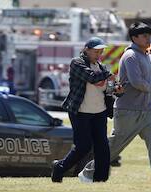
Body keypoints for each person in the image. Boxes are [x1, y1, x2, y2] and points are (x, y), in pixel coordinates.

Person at [78, 22, 151, 182]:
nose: (148, 39)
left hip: (149, 110)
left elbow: (148, 82)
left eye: (149, 35)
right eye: (144, 36)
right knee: (114, 147)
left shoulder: (148, 56)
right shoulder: (130, 56)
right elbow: (138, 83)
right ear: (134, 38)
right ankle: (88, 173)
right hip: (128, 111)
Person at [51, 37, 116, 183]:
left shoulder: (102, 67)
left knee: (103, 148)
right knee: (83, 146)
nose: (99, 54)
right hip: (80, 112)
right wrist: (109, 75)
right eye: (96, 51)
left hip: (99, 112)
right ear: (86, 49)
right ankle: (60, 167)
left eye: (101, 51)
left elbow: (109, 89)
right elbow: (90, 77)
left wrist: (117, 89)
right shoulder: (77, 63)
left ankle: (100, 180)